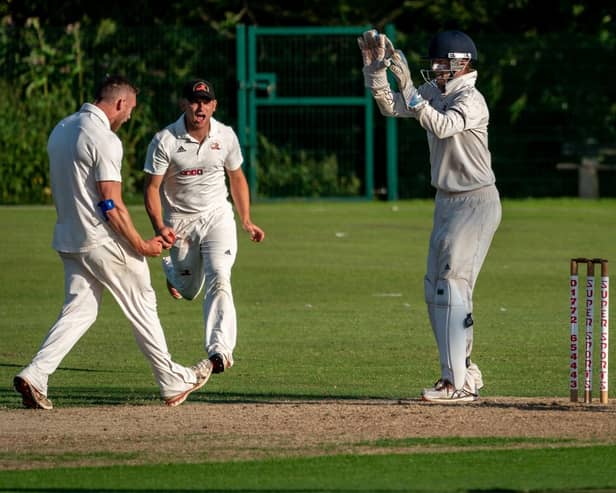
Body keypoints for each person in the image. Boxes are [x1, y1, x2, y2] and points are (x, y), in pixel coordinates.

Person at [14, 75, 213, 410]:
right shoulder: (104, 138)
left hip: (69, 237)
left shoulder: (62, 128)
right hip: (99, 238)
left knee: (81, 309)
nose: (130, 117)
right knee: (142, 299)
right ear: (120, 103)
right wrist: (141, 244)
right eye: (130, 109)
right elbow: (110, 203)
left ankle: (36, 374)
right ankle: (172, 380)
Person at [358, 30, 501, 402]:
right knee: (435, 286)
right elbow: (391, 107)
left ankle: (455, 384)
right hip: (446, 201)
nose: (436, 69)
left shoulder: (472, 100)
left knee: (452, 284)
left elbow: (442, 125)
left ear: (462, 63)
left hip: (476, 200)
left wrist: (410, 88)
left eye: (442, 63)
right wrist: (376, 71)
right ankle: (462, 373)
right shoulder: (438, 93)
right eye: (435, 63)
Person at [143, 79, 265, 375]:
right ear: (184, 104)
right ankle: (174, 273)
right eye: (194, 101)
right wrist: (160, 226)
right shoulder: (165, 140)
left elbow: (236, 178)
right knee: (188, 290)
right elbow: (151, 188)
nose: (200, 107)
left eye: (205, 101)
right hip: (180, 223)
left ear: (214, 105)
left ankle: (219, 351)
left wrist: (245, 219)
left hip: (217, 217)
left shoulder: (225, 135)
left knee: (220, 276)